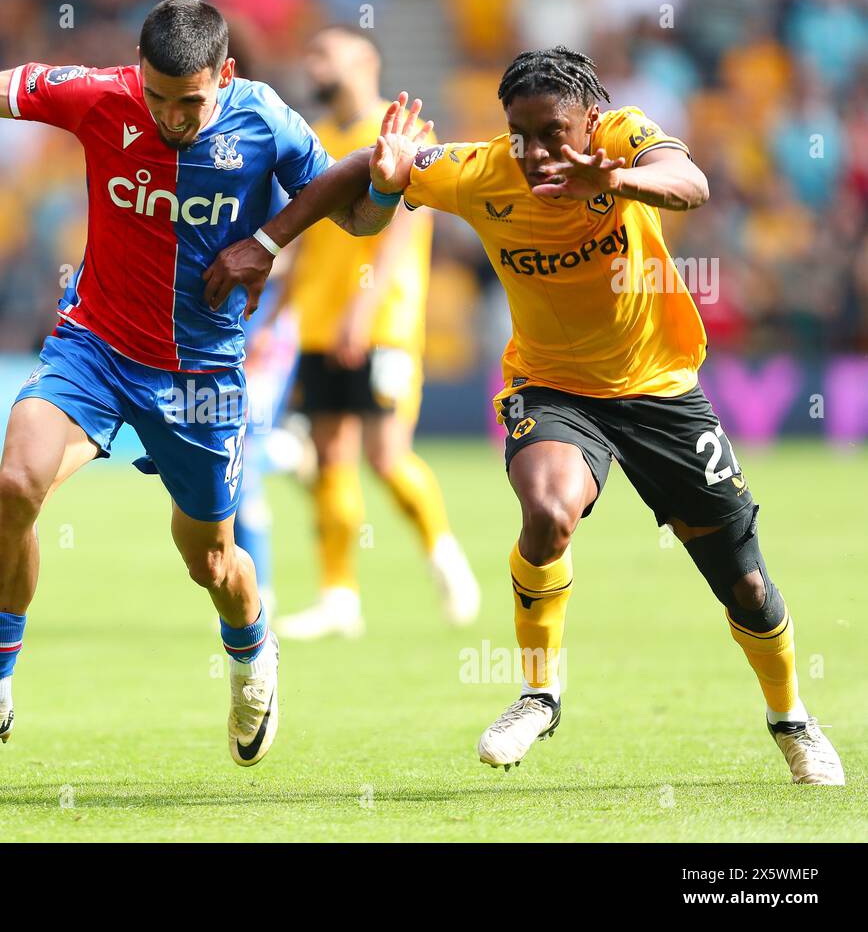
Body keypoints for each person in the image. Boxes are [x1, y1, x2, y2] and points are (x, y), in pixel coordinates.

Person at [0, 0, 428, 770]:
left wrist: (309, 220)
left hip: (201, 377)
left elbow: (358, 215)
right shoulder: (101, 96)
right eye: (157, 98)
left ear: (226, 77)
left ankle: (251, 656)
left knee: (209, 561)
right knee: (16, 485)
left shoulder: (265, 121)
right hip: (94, 350)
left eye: (191, 102)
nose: (171, 117)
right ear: (138, 75)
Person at [205, 46, 843, 784]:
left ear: (592, 122)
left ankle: (791, 717)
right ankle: (540, 692)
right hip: (553, 389)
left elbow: (690, 182)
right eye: (521, 132)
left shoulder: (622, 137)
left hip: (661, 389)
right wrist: (278, 236)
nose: (537, 152)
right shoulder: (481, 173)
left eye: (553, 133)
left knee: (746, 584)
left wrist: (616, 178)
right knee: (546, 512)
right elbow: (362, 170)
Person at [276, 26, 480, 641]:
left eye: (323, 52)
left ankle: (444, 555)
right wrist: (280, 314)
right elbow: (307, 240)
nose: (312, 63)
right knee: (330, 458)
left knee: (385, 456)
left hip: (383, 323)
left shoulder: (400, 132)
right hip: (316, 323)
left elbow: (401, 234)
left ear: (364, 60)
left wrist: (361, 316)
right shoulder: (314, 140)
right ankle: (339, 598)